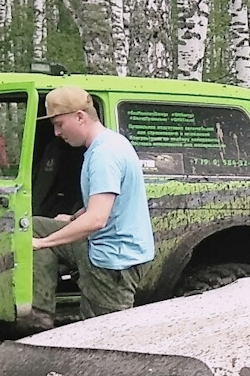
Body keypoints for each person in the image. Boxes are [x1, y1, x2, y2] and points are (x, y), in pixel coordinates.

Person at [29, 86, 156, 321]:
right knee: (35, 226)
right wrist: (73, 219)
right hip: (104, 246)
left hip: (113, 261)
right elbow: (103, 202)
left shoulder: (104, 155)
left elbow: (97, 219)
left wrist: (44, 243)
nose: (56, 133)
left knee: (103, 337)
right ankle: (38, 316)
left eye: (59, 124)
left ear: (80, 116)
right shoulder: (109, 143)